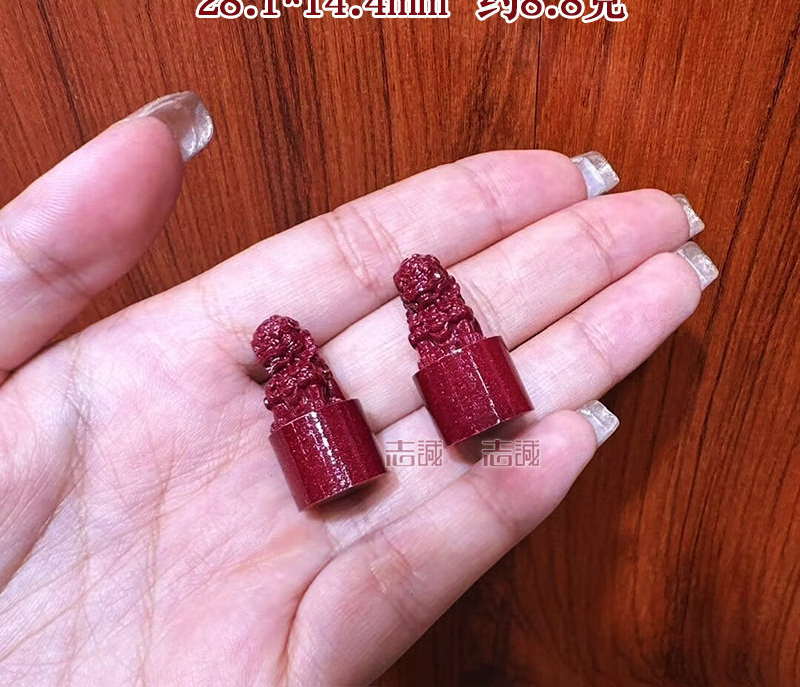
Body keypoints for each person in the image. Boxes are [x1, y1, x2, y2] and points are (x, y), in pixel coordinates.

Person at [0, 91, 715, 685]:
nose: (422, 286)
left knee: (457, 377)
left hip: (431, 375)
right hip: (343, 413)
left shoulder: (434, 317)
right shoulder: (299, 380)